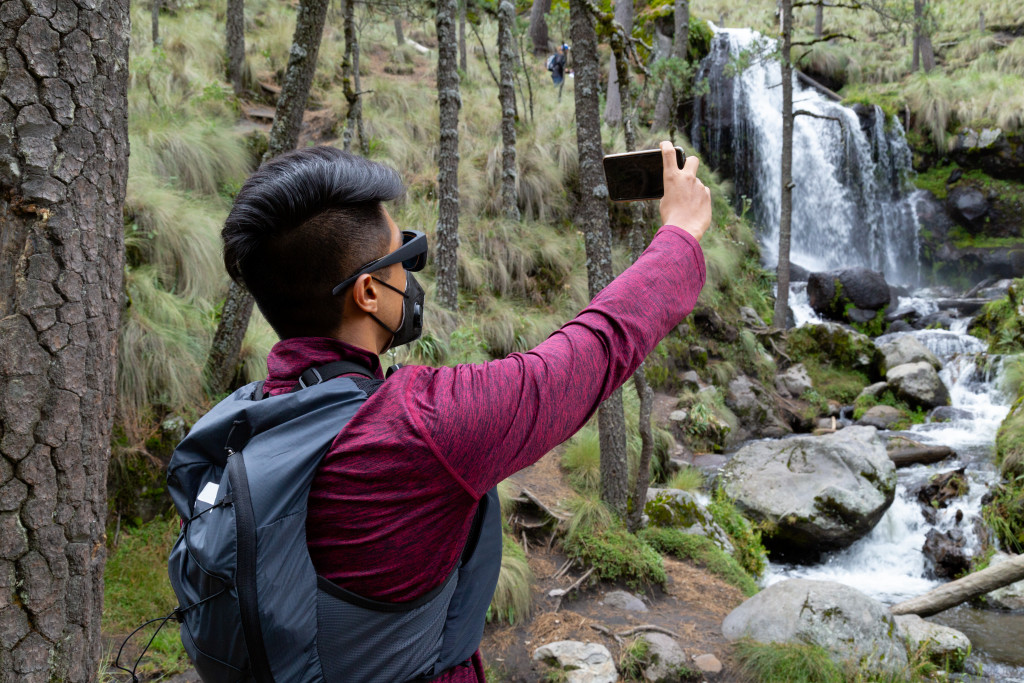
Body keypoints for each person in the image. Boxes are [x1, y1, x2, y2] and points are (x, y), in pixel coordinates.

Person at [217, 140, 711, 681]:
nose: (411, 274)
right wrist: (680, 235)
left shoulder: (248, 419)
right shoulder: (415, 429)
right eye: (405, 257)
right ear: (367, 293)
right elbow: (587, 356)